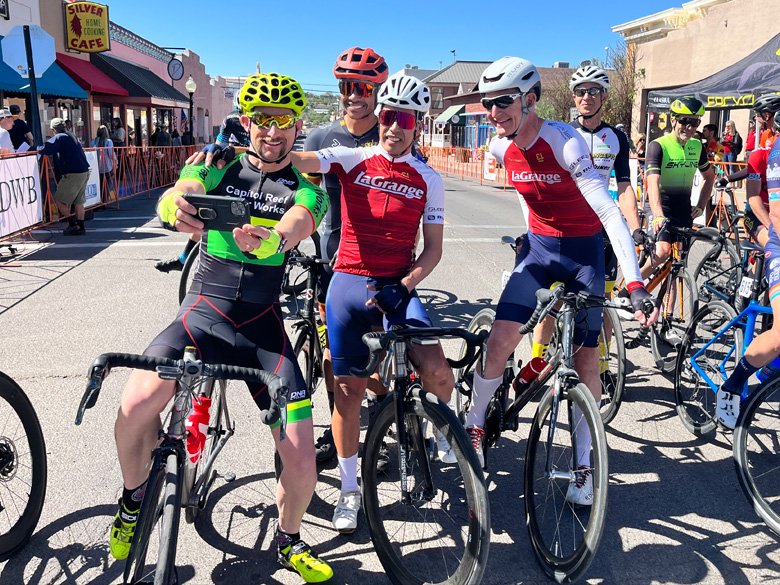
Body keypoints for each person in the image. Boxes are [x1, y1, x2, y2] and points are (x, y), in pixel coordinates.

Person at [108, 72, 333, 583]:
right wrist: (173, 206)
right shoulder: (215, 161)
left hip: (262, 330)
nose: (271, 131)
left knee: (301, 465)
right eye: (261, 120)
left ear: (298, 125)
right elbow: (185, 188)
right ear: (247, 122)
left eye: (283, 121)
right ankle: (131, 499)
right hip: (202, 313)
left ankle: (288, 539)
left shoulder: (306, 188)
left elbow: (300, 221)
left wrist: (274, 240)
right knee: (133, 407)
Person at [460, 56, 655, 508]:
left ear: (530, 99)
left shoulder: (566, 143)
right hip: (541, 251)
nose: (494, 112)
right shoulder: (497, 147)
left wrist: (635, 282)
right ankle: (472, 424)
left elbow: (607, 211)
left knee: (588, 363)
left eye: (503, 101)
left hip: (584, 254)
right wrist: (529, 236)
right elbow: (528, 197)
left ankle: (584, 465)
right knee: (501, 338)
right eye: (489, 103)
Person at [289, 71, 453, 533]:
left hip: (396, 288)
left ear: (417, 123)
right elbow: (302, 159)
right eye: (388, 117)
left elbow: (434, 249)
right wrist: (258, 146)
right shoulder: (352, 157)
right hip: (347, 286)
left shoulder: (429, 179)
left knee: (438, 369)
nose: (393, 126)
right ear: (379, 118)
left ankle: (443, 426)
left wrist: (406, 284)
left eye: (404, 118)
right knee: (347, 397)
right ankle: (347, 489)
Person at [302, 46, 389, 463]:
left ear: (377, 90)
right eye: (347, 86)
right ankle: (337, 427)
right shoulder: (321, 138)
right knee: (332, 359)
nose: (354, 93)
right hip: (330, 262)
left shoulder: (391, 133)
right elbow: (298, 188)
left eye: (364, 87)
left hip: (382, 265)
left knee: (380, 355)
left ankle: (387, 412)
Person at [530, 66, 643, 364]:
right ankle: (536, 361)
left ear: (604, 95)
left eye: (593, 90)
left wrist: (634, 228)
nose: (587, 97)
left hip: (600, 229)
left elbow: (624, 186)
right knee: (553, 302)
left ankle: (602, 364)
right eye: (581, 91)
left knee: (601, 302)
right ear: (573, 97)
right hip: (563, 229)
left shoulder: (616, 136)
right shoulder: (561, 133)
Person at [717, 110, 780, 429]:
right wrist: (770, 229)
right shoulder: (764, 154)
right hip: (764, 221)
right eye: (765, 120)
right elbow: (757, 201)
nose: (766, 125)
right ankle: (734, 384)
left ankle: (768, 368)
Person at [155, 103, 253, 274]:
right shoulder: (230, 120)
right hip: (229, 163)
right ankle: (185, 258)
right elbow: (219, 144)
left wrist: (237, 150)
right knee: (205, 216)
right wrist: (173, 200)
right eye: (242, 112)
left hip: (250, 161)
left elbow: (265, 153)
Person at [641, 96, 716, 282]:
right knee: (663, 252)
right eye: (684, 121)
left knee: (677, 266)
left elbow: (709, 177)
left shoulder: (697, 146)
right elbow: (652, 182)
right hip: (661, 208)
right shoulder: (658, 146)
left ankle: (667, 311)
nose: (689, 127)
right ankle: (629, 288)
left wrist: (700, 205)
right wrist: (658, 214)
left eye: (695, 122)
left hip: (683, 211)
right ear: (673, 119)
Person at [37, 118, 90, 235]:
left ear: (53, 129)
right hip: (84, 170)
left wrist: (35, 149)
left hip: (73, 172)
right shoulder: (71, 135)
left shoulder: (59, 137)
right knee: (79, 201)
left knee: (59, 200)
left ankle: (72, 224)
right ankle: (81, 227)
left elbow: (46, 149)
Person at [740, 112, 780, 248]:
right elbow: (753, 198)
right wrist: (771, 228)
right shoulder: (758, 156)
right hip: (757, 216)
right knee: (774, 245)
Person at [90, 124, 116, 202]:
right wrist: (115, 162)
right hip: (107, 167)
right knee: (108, 183)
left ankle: (99, 200)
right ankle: (105, 200)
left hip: (97, 168)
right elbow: (111, 154)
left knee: (99, 185)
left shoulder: (93, 141)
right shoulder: (108, 141)